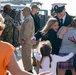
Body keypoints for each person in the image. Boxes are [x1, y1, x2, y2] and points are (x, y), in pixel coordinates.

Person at [19, 7, 35, 73]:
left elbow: (27, 31)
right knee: (25, 58)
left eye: (24, 11)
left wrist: (23, 39)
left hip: (26, 42)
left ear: (28, 11)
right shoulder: (27, 19)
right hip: (26, 41)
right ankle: (27, 71)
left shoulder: (28, 19)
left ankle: (28, 72)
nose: (23, 13)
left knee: (26, 58)